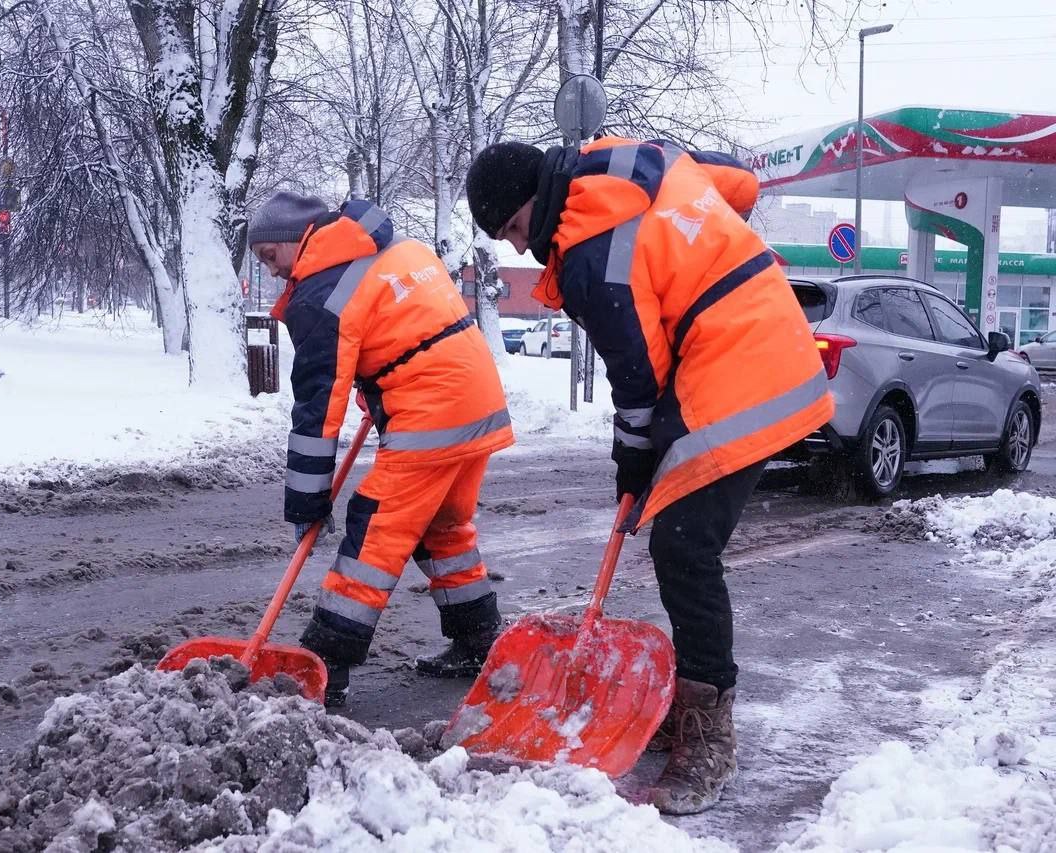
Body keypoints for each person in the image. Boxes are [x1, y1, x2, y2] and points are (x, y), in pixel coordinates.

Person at [466, 138, 834, 814]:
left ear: (532, 199)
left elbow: (638, 383)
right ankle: (692, 699)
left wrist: (632, 465)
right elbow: (739, 188)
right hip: (757, 333)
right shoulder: (623, 159)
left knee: (683, 544)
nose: (520, 249)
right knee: (679, 536)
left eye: (515, 228)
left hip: (745, 365)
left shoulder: (588, 256)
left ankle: (709, 727)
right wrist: (699, 252)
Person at [248, 192, 515, 708]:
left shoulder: (322, 294)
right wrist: (383, 388)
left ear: (294, 240)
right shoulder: (391, 246)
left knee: (373, 534)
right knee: (442, 529)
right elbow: (411, 325)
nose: (274, 272)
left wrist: (306, 502)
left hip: (431, 415)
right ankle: (478, 639)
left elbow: (316, 409)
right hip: (476, 401)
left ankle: (325, 664)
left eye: (269, 257)